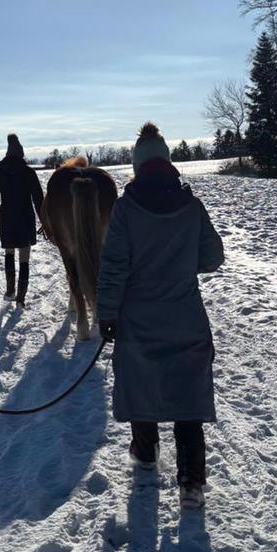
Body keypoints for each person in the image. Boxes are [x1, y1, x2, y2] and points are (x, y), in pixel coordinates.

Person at [95, 122, 224, 511]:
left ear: (136, 167)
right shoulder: (191, 205)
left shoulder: (125, 208)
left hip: (138, 317)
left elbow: (113, 266)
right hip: (185, 314)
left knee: (141, 381)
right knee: (188, 395)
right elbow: (213, 257)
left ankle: (146, 451)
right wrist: (181, 261)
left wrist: (107, 314)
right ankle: (191, 482)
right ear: (167, 162)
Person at [0, 134, 45, 305]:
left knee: (9, 253)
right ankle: (21, 298)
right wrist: (45, 223)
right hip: (25, 220)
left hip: (7, 220)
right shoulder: (29, 173)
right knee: (24, 259)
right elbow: (38, 199)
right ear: (21, 154)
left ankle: (10, 291)